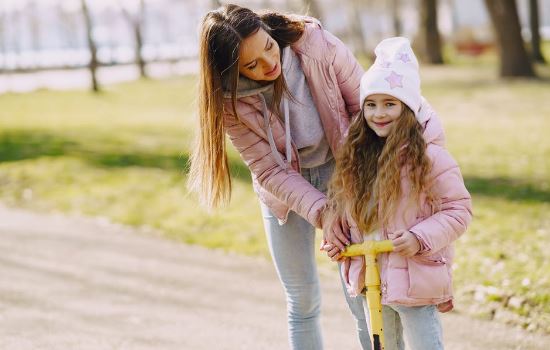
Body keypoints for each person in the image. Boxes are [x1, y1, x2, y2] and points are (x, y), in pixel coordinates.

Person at [321, 37, 473, 350]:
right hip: (371, 276)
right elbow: (352, 214)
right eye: (371, 104)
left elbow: (458, 210)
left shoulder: (430, 157)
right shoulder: (357, 156)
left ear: (407, 108)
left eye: (390, 104)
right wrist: (341, 244)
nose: (379, 113)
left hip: (414, 274)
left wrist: (420, 237)